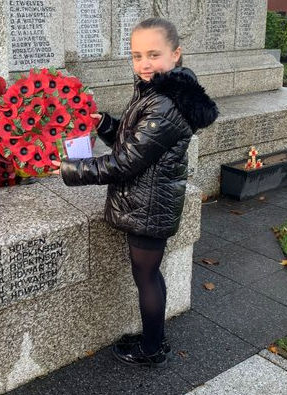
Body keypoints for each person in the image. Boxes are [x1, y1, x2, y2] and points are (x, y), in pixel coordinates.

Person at [51, 17, 218, 368]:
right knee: (148, 274)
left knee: (146, 276)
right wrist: (105, 124)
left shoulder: (164, 105)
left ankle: (152, 348)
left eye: (153, 54)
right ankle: (153, 339)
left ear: (176, 54)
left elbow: (125, 163)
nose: (144, 63)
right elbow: (134, 143)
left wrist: (70, 170)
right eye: (137, 55)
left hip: (150, 206)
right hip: (147, 200)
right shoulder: (156, 91)